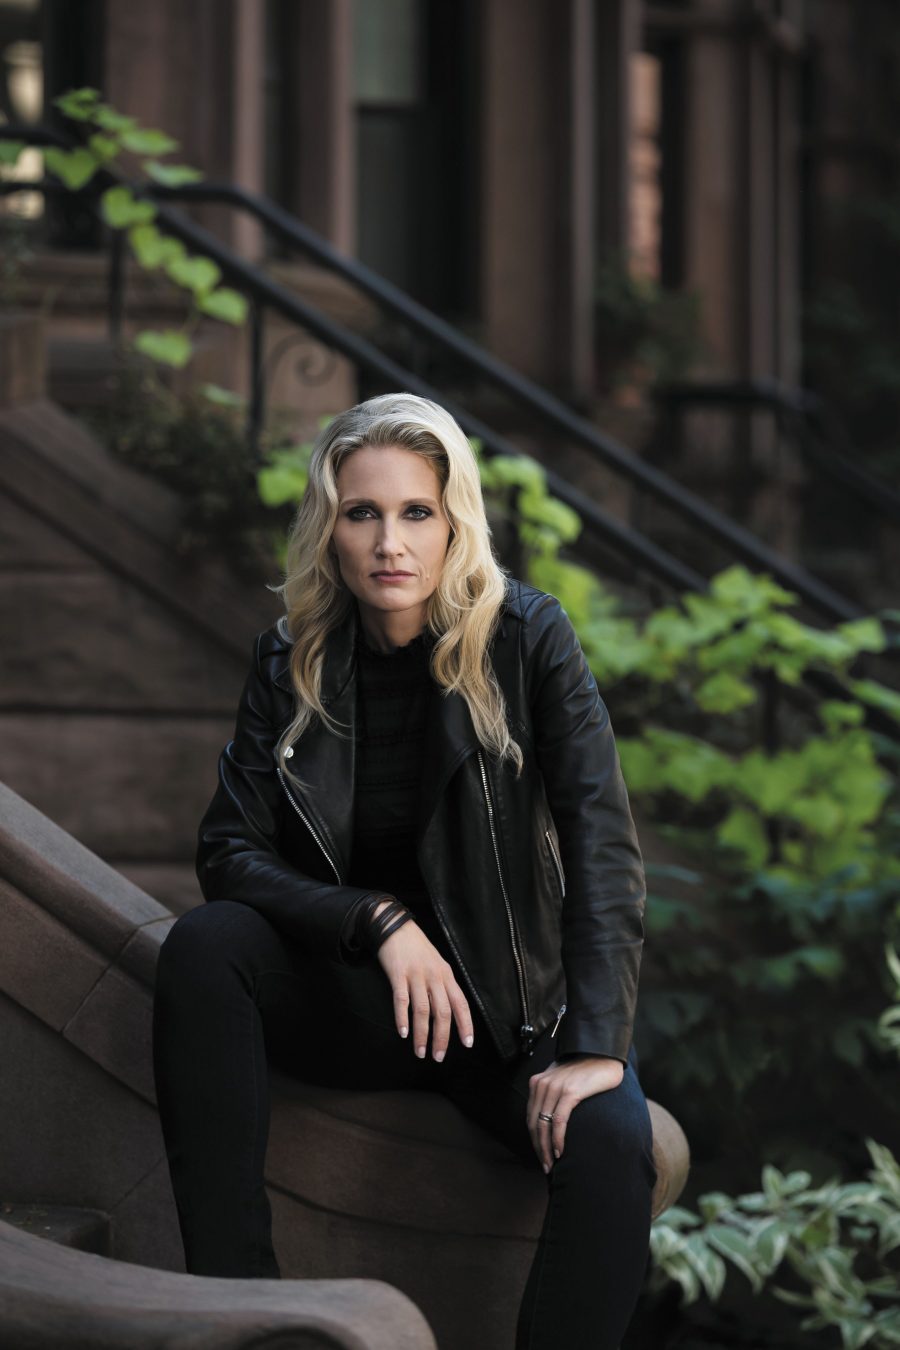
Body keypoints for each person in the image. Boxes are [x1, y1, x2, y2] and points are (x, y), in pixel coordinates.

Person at [152, 392, 657, 1350]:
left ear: (454, 523)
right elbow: (229, 852)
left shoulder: (527, 640)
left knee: (615, 1145)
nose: (391, 543)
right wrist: (375, 921)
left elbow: (602, 843)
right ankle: (242, 1314)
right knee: (206, 944)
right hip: (357, 1003)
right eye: (363, 513)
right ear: (330, 529)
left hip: (504, 1018)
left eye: (416, 512)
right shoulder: (289, 661)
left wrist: (595, 1044)